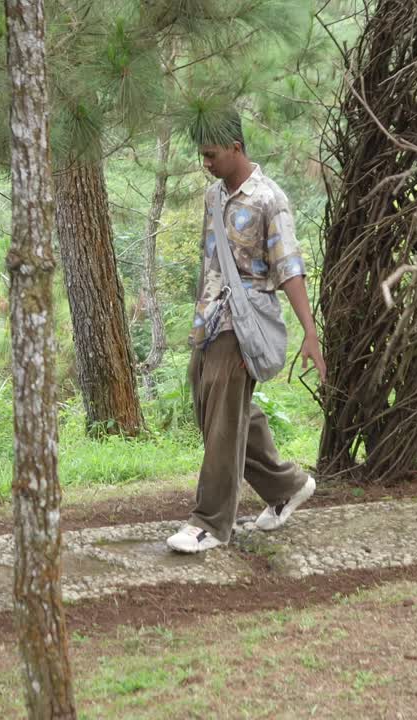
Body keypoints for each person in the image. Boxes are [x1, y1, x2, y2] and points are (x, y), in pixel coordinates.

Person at [167, 112, 326, 554]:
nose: (206, 164)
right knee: (216, 414)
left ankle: (209, 523)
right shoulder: (213, 197)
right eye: (202, 156)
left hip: (243, 325)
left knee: (222, 422)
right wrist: (196, 321)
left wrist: (310, 335)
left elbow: (290, 269)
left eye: (211, 155)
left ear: (236, 146)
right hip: (209, 322)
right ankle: (287, 485)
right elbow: (210, 264)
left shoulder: (269, 200)